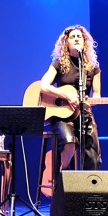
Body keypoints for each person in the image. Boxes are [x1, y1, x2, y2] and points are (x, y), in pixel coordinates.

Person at [40, 25, 102, 172]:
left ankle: (91, 184)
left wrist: (89, 103)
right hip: (61, 115)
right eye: (72, 37)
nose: (76, 39)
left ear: (84, 42)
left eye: (79, 36)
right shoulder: (59, 64)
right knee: (69, 142)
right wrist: (66, 95)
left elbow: (97, 95)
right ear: (66, 42)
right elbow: (43, 85)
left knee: (93, 150)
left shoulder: (93, 67)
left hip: (83, 113)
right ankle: (65, 172)